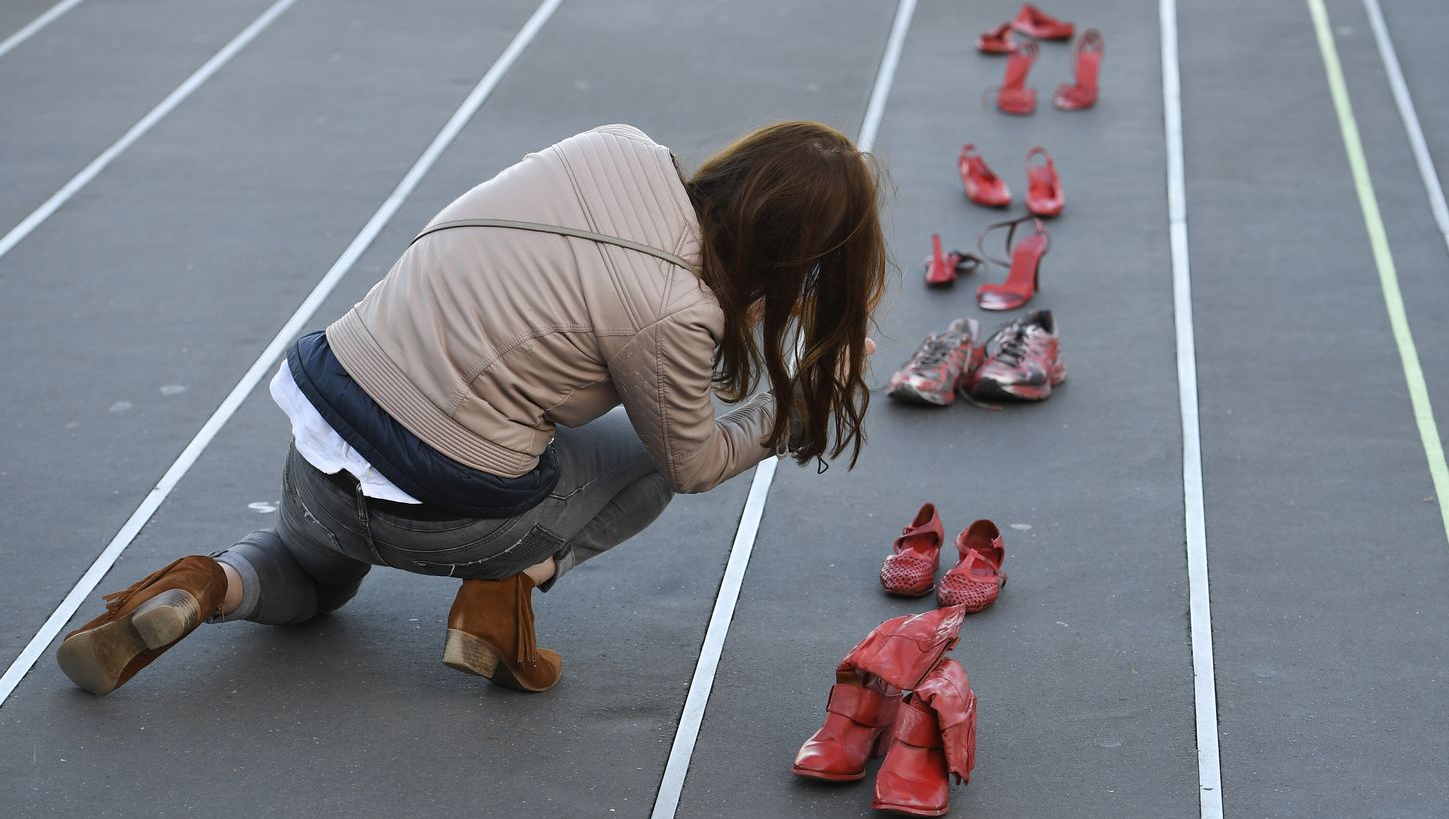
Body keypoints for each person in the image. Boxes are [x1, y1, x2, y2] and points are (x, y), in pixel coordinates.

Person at [57, 122, 887, 696]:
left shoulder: (611, 148)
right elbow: (696, 462)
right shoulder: (676, 313)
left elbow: (593, 281)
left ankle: (205, 586)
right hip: (454, 516)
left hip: (328, 430)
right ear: (802, 260)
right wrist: (790, 414)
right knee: (661, 450)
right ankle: (511, 578)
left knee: (307, 574)